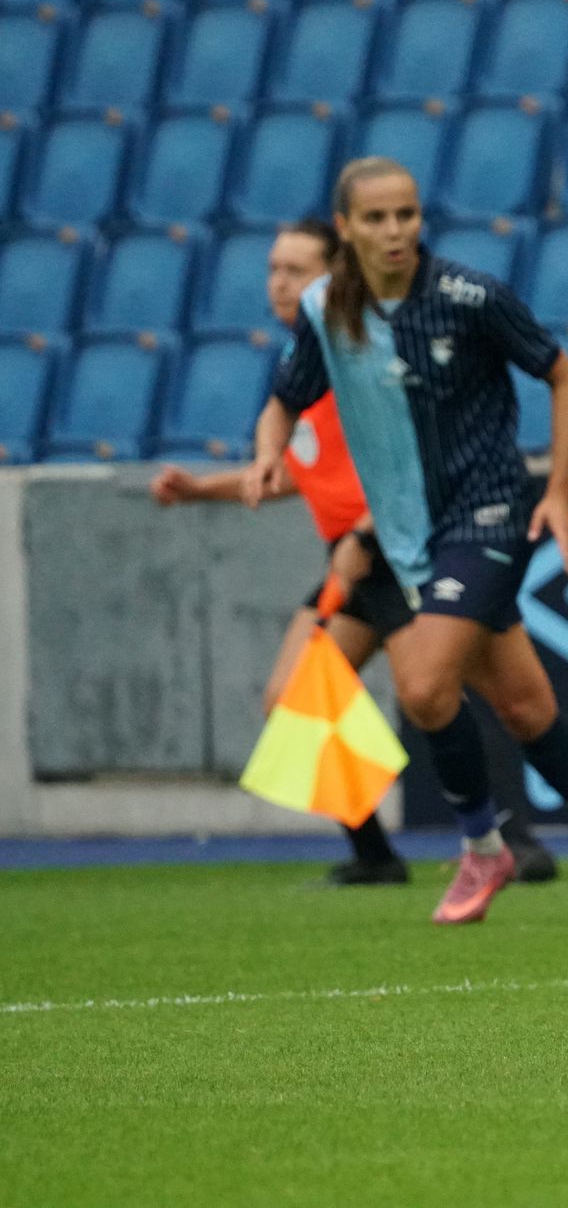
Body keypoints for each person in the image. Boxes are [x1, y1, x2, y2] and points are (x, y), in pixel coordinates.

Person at [244, 158, 568, 925]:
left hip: (487, 514)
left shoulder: (468, 295)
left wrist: (557, 492)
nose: (395, 230)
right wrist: (267, 452)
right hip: (408, 535)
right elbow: (284, 398)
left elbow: (564, 376)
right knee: (525, 706)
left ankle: (483, 846)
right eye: (376, 218)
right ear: (345, 229)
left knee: (422, 687)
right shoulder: (326, 306)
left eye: (406, 214)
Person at [151, 218, 413, 886]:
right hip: (353, 561)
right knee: (295, 697)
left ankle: (504, 835)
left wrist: (364, 534)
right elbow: (299, 469)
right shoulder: (304, 363)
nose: (279, 283)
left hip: (398, 551)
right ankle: (377, 854)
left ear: (334, 276)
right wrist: (199, 490)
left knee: (452, 695)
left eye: (296, 270)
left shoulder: (355, 352)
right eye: (273, 269)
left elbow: (410, 457)